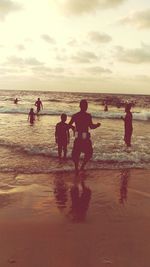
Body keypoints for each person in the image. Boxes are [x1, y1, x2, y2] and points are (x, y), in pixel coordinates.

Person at [69, 99, 101, 175]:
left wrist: (73, 128)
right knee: (89, 153)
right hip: (85, 137)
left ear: (80, 106)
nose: (86, 107)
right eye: (86, 105)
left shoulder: (75, 115)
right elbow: (92, 126)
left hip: (78, 136)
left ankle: (77, 168)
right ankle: (82, 166)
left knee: (76, 153)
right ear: (85, 106)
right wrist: (97, 125)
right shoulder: (88, 116)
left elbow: (69, 124)